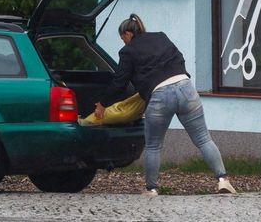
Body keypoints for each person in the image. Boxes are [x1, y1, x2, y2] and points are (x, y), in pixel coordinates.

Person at [94, 13, 235, 195]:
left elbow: (120, 82)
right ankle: (223, 180)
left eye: (123, 39)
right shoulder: (161, 36)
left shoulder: (128, 51)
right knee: (203, 138)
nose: (123, 42)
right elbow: (180, 57)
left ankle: (151, 189)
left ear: (128, 34)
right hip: (186, 88)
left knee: (153, 146)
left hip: (160, 96)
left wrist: (103, 104)